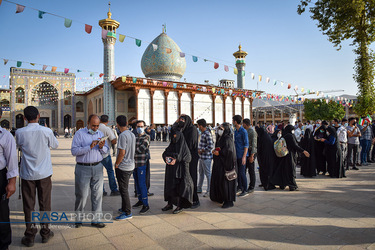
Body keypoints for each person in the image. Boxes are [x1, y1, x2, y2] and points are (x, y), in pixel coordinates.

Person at [16, 106, 58, 247]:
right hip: (44, 173)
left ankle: (30, 236)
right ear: (39, 116)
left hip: (28, 174)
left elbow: (18, 146)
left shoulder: (20, 132)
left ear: (24, 118)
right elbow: (55, 145)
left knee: (29, 205)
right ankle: (45, 232)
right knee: (45, 203)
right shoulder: (46, 131)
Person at [71, 114, 109, 228]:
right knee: (82, 194)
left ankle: (96, 219)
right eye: (93, 126)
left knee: (97, 194)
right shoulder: (79, 134)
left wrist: (102, 147)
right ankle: (78, 219)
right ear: (88, 123)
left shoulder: (100, 134)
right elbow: (74, 151)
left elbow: (106, 150)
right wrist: (90, 147)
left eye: (97, 126)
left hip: (97, 167)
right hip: (83, 168)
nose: (95, 128)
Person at [162, 129, 193, 214]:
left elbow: (187, 158)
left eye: (176, 137)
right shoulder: (171, 145)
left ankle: (180, 205)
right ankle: (169, 204)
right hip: (171, 171)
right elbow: (165, 153)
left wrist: (176, 159)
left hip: (180, 172)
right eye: (173, 137)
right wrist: (167, 158)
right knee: (170, 187)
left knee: (179, 188)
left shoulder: (184, 148)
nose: (174, 139)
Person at [270, 125, 310, 191]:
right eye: (292, 129)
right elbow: (295, 145)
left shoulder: (284, 135)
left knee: (284, 170)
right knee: (291, 170)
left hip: (285, 155)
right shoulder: (290, 136)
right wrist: (303, 151)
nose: (293, 131)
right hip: (290, 156)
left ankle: (282, 184)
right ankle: (292, 185)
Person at [0, 108, 18, 250]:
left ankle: (3, 243)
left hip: (0, 176)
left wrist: (12, 182)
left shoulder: (5, 136)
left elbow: (11, 160)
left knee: (2, 211)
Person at [114, 115, 136, 220]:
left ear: (117, 124)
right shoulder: (131, 134)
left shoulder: (123, 135)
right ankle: (124, 208)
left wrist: (117, 164)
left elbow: (122, 152)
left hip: (124, 166)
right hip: (131, 164)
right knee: (124, 188)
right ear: (127, 122)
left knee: (124, 190)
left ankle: (127, 212)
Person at [210, 123, 237, 208]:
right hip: (219, 164)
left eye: (221, 129)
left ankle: (228, 201)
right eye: (219, 128)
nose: (219, 130)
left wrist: (220, 153)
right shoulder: (220, 138)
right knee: (220, 182)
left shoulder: (228, 139)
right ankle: (220, 197)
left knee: (226, 183)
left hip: (226, 165)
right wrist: (215, 151)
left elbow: (229, 151)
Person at [177, 115, 200, 208]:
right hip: (184, 158)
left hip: (191, 158)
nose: (181, 121)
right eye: (180, 120)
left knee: (192, 178)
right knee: (185, 179)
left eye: (183, 120)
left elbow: (191, 144)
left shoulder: (192, 129)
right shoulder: (183, 130)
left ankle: (195, 199)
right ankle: (187, 198)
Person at [132, 120, 151, 215]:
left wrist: (131, 150)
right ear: (136, 127)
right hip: (134, 164)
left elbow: (141, 149)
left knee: (142, 183)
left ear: (144, 127)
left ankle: (145, 204)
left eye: (141, 126)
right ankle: (140, 200)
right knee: (137, 183)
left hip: (142, 163)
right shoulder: (134, 137)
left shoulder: (146, 136)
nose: (140, 128)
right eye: (138, 126)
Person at [99, 115, 120, 196]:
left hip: (96, 155)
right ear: (107, 121)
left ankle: (102, 190)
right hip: (105, 154)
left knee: (99, 173)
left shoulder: (96, 128)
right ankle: (113, 190)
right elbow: (113, 140)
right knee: (110, 172)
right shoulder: (107, 129)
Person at [255, 126, 277, 190]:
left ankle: (267, 184)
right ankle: (265, 184)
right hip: (265, 158)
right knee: (265, 171)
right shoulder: (264, 137)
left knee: (266, 171)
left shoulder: (264, 138)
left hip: (265, 158)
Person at [197, 119, 214, 197]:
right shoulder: (203, 133)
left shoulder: (207, 133)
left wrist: (202, 150)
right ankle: (199, 188)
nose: (198, 127)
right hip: (201, 157)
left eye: (198, 125)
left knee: (208, 174)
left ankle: (209, 190)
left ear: (201, 126)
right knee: (201, 173)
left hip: (206, 157)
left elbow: (210, 146)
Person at [232, 115, 249, 197]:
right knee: (237, 172)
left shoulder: (243, 131)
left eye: (233, 120)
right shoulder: (236, 131)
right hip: (236, 155)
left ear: (235, 121)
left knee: (242, 173)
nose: (232, 122)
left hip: (242, 155)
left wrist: (244, 157)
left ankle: (245, 189)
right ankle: (239, 187)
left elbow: (246, 145)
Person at [243, 119, 258, 192]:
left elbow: (254, 144)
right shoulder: (245, 131)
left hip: (251, 152)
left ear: (245, 124)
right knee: (244, 169)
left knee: (251, 170)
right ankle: (243, 185)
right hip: (246, 151)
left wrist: (252, 155)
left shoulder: (252, 132)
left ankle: (252, 186)